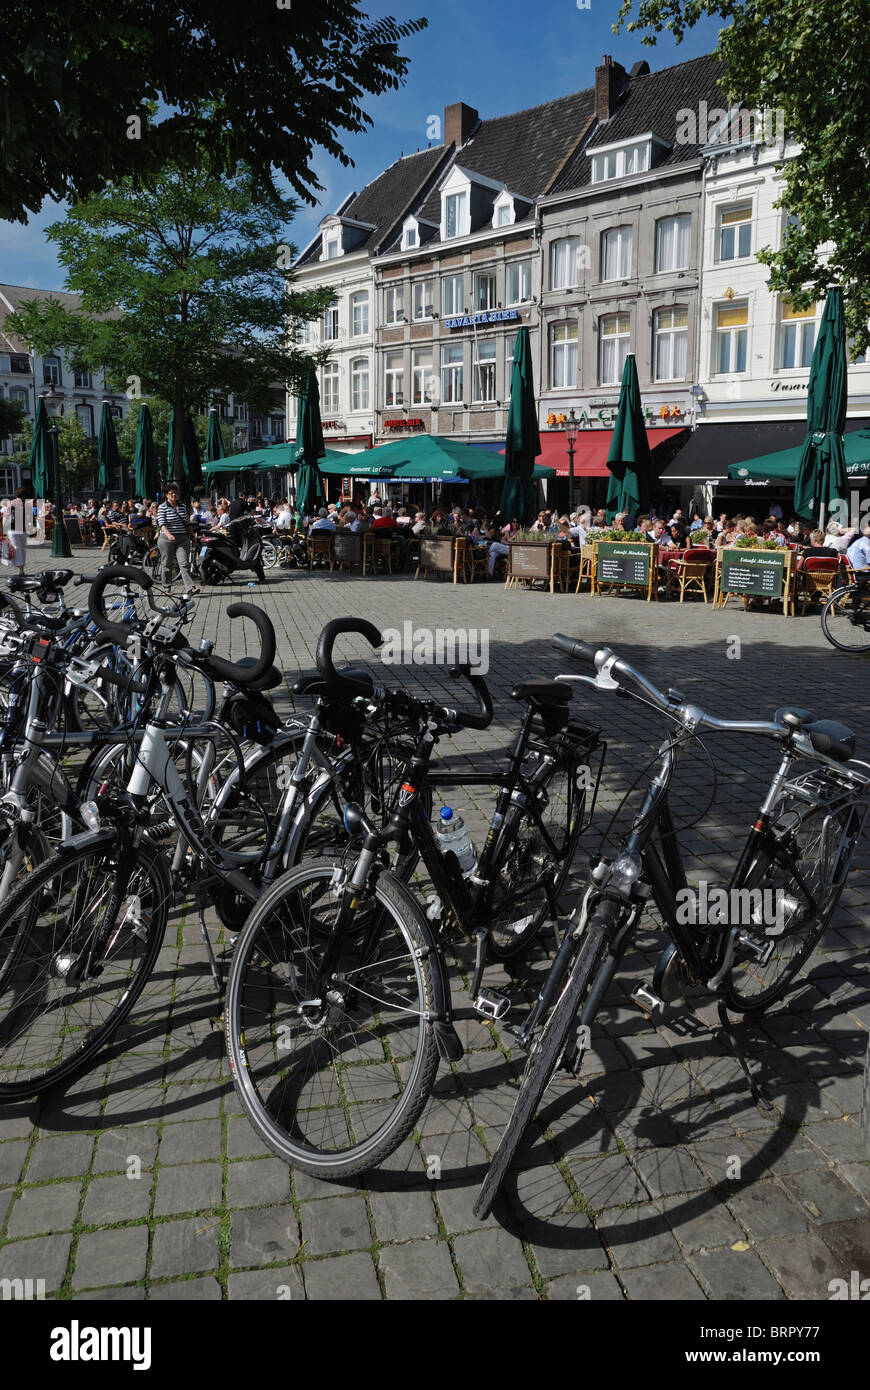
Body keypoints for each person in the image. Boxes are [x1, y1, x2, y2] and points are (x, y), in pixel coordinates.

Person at [157, 484, 199, 591]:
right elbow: (161, 524)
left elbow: (187, 522)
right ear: (167, 495)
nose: (174, 495)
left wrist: (193, 536)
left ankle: (190, 587)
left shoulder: (182, 506)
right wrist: (169, 535)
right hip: (167, 539)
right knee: (167, 564)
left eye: (175, 493)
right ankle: (166, 588)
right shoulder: (162, 507)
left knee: (184, 563)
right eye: (171, 493)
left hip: (182, 538)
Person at [7, 485, 30, 575]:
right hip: (23, 530)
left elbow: (6, 516)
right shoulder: (27, 504)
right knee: (23, 549)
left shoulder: (11, 503)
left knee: (17, 549)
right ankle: (22, 568)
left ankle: (21, 569)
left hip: (13, 529)